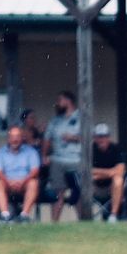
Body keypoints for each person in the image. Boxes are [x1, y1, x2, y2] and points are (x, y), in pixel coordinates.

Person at [90, 125, 127, 221]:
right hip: (94, 188)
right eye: (99, 136)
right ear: (95, 138)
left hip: (112, 189)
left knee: (118, 180)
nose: (101, 139)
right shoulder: (90, 150)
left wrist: (98, 174)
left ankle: (113, 215)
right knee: (85, 181)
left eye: (104, 136)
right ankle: (86, 216)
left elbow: (120, 171)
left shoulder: (116, 149)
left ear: (108, 137)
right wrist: (111, 172)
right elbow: (87, 172)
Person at [45, 91, 85, 221]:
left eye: (60, 100)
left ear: (68, 101)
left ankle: (84, 223)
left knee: (78, 192)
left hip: (76, 160)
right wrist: (44, 155)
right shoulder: (55, 120)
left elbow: (90, 139)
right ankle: (54, 224)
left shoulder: (82, 118)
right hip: (57, 161)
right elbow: (47, 139)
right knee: (57, 193)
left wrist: (73, 137)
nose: (57, 103)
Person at [0, 125, 41, 222]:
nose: (15, 139)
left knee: (33, 183)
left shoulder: (31, 152)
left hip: (25, 183)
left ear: (22, 138)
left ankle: (24, 215)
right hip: (7, 183)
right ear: (8, 139)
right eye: (12, 137)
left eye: (18, 136)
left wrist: (23, 181)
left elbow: (35, 171)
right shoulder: (0, 152)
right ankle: (5, 215)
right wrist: (8, 182)